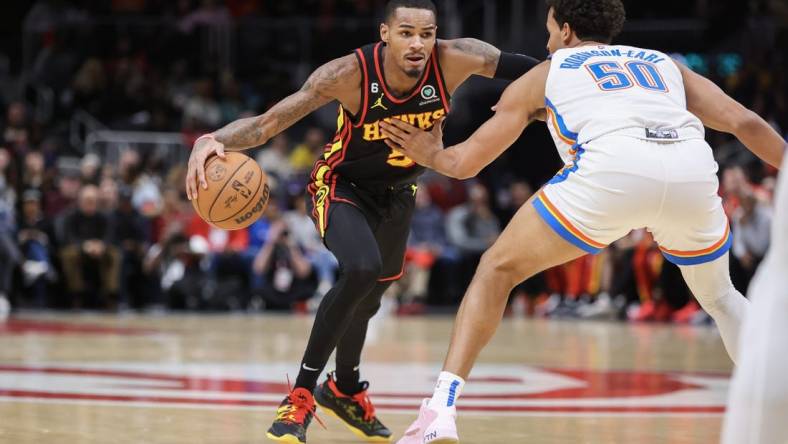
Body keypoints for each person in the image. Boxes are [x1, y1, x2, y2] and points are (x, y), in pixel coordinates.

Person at [379, 0, 785, 442]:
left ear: (567, 30)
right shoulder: (663, 63)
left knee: (496, 269)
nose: (547, 39)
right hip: (690, 167)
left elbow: (466, 163)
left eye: (550, 29)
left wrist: (432, 153)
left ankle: (439, 412)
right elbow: (744, 122)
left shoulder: (545, 73)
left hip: (614, 171)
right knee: (722, 297)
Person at [184, 1, 541, 442]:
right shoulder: (348, 74)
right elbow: (268, 124)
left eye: (426, 34)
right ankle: (300, 394)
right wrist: (211, 139)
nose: (417, 44)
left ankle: (346, 389)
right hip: (341, 186)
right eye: (406, 32)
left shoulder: (459, 58)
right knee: (361, 269)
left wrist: (565, 96)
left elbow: (543, 72)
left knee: (370, 298)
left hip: (400, 193)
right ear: (385, 33)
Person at [721, 155, 787, 443]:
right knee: (735, 262)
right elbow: (740, 251)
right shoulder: (736, 214)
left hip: (773, 267)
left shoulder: (763, 202)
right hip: (762, 270)